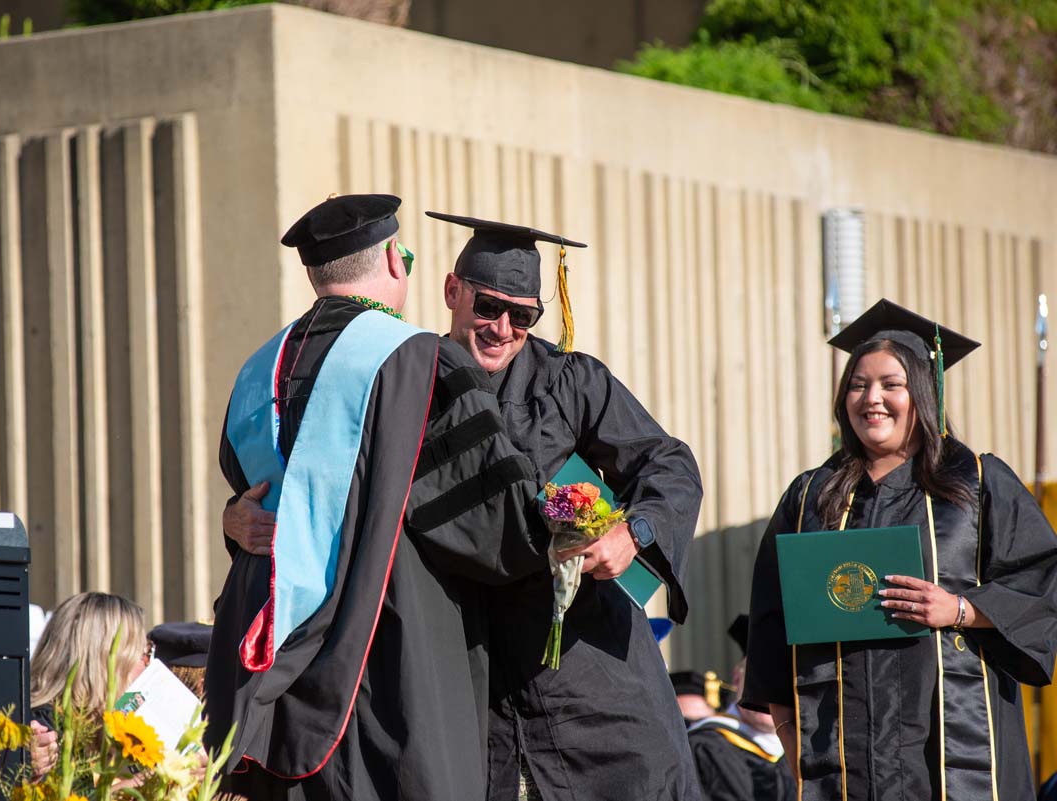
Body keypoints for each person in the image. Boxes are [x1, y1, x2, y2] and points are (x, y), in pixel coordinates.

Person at [225, 211, 703, 800]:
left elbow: (669, 464)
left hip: (590, 686)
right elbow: (324, 491)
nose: (502, 327)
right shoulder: (400, 381)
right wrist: (240, 517)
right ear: (452, 290)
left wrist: (634, 531)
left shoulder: (571, 382)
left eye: (522, 315)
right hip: (465, 691)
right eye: (486, 306)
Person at [205, 194, 549, 801]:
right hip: (386, 671)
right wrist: (564, 526)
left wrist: (233, 522)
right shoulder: (419, 362)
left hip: (273, 682)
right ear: (396, 260)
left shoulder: (259, 372)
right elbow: (497, 527)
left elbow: (251, 506)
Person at [743, 298, 1057, 800]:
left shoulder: (977, 482)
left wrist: (960, 608)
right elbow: (771, 618)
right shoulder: (811, 496)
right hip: (840, 745)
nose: (872, 398)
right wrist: (788, 734)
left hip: (955, 740)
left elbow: (1042, 581)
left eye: (892, 384)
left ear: (926, 393)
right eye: (858, 384)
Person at [28, 592, 149, 776]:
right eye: (143, 655)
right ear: (108, 663)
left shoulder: (97, 730)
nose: (147, 667)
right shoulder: (42, 737)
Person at [687, 615, 794, 801]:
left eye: (785, 682)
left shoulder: (809, 750)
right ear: (737, 678)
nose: (772, 693)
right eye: (761, 679)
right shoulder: (704, 747)